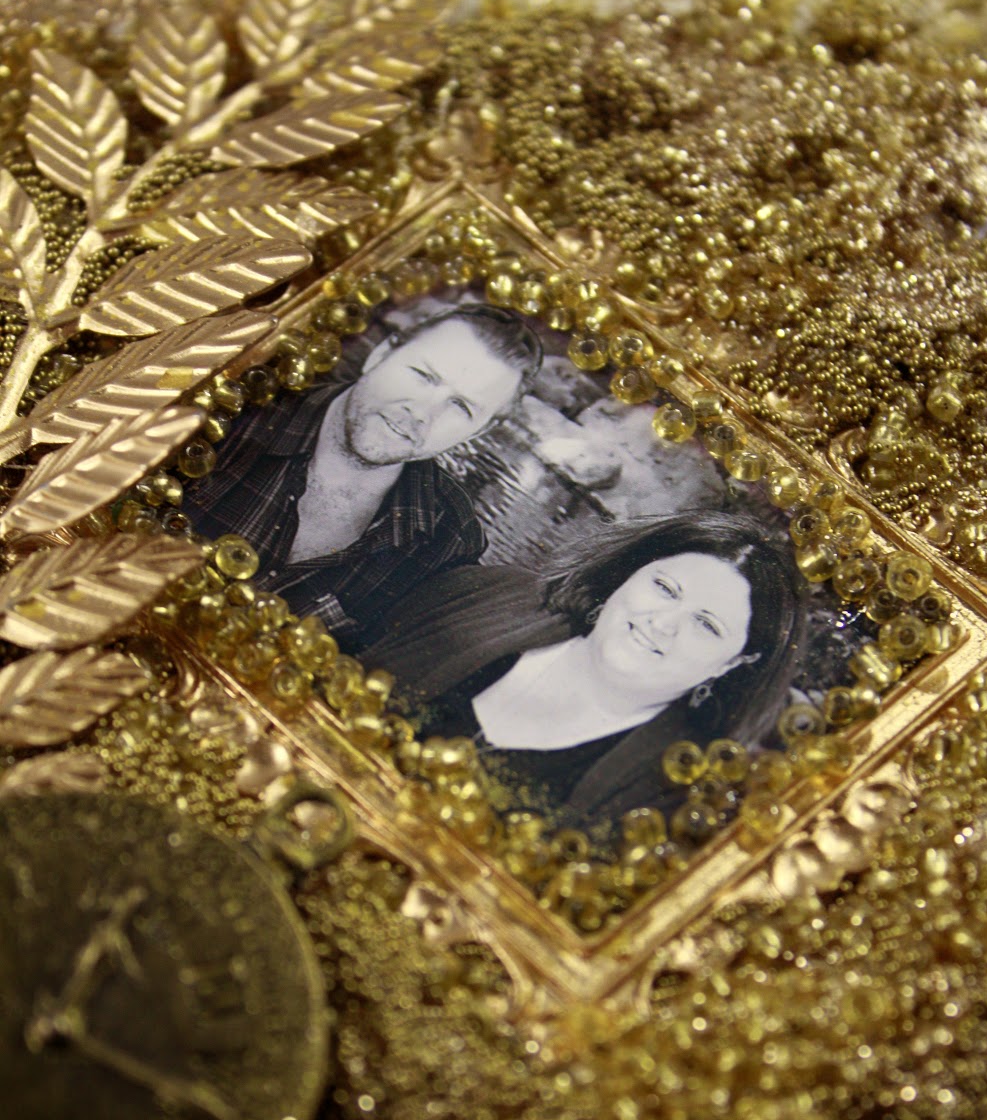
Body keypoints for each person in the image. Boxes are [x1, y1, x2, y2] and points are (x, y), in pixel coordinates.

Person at [368, 511, 808, 824]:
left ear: (732, 664)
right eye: (665, 588)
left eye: (706, 625)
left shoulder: (676, 792)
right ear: (628, 573)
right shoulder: (484, 595)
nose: (663, 623)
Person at [189, 305, 542, 648]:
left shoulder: (447, 540)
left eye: (461, 407)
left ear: (479, 431)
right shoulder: (239, 414)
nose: (422, 412)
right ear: (381, 354)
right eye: (423, 376)